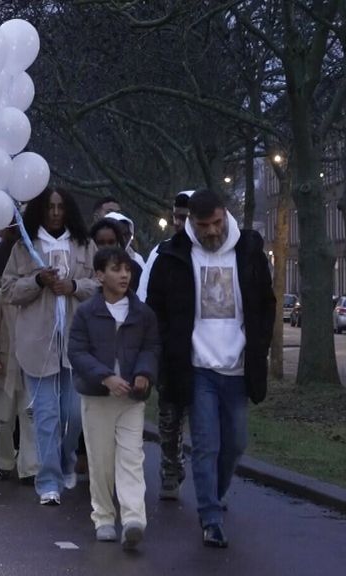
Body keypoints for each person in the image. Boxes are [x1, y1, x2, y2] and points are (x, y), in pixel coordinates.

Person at [146, 188, 275, 548]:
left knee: (235, 443)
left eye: (217, 223)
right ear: (191, 222)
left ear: (225, 214)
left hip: (238, 365)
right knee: (206, 444)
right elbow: (156, 308)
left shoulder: (248, 250)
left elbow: (266, 302)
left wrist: (260, 344)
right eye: (204, 226)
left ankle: (213, 494)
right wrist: (167, 354)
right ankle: (211, 517)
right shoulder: (173, 255)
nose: (212, 231)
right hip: (196, 366)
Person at [1, 187, 99, 506]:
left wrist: (74, 286)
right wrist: (37, 281)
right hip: (37, 342)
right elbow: (9, 290)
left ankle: (66, 459)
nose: (55, 213)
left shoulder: (84, 245)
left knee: (72, 414)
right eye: (49, 207)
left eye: (60, 207)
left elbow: (100, 284)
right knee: (46, 415)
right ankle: (48, 481)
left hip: (76, 340)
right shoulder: (24, 247)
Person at [69, 247, 159, 549]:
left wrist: (144, 372)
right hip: (98, 398)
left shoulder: (142, 313)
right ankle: (104, 517)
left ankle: (134, 519)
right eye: (116, 269)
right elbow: (77, 351)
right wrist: (105, 376)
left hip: (131, 400)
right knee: (102, 461)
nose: (124, 275)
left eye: (127, 270)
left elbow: (151, 347)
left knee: (132, 457)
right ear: (99, 275)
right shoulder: (86, 312)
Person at [137, 189, 193, 499]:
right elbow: (148, 299)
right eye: (176, 217)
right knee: (170, 416)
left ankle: (212, 480)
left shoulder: (216, 254)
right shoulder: (161, 253)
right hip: (171, 351)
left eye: (185, 218)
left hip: (206, 353)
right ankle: (171, 469)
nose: (179, 223)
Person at [0, 284, 38, 484]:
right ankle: (3, 462)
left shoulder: (40, 295)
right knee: (3, 419)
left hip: (33, 367)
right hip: (4, 368)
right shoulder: (2, 295)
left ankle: (30, 468)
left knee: (30, 418)